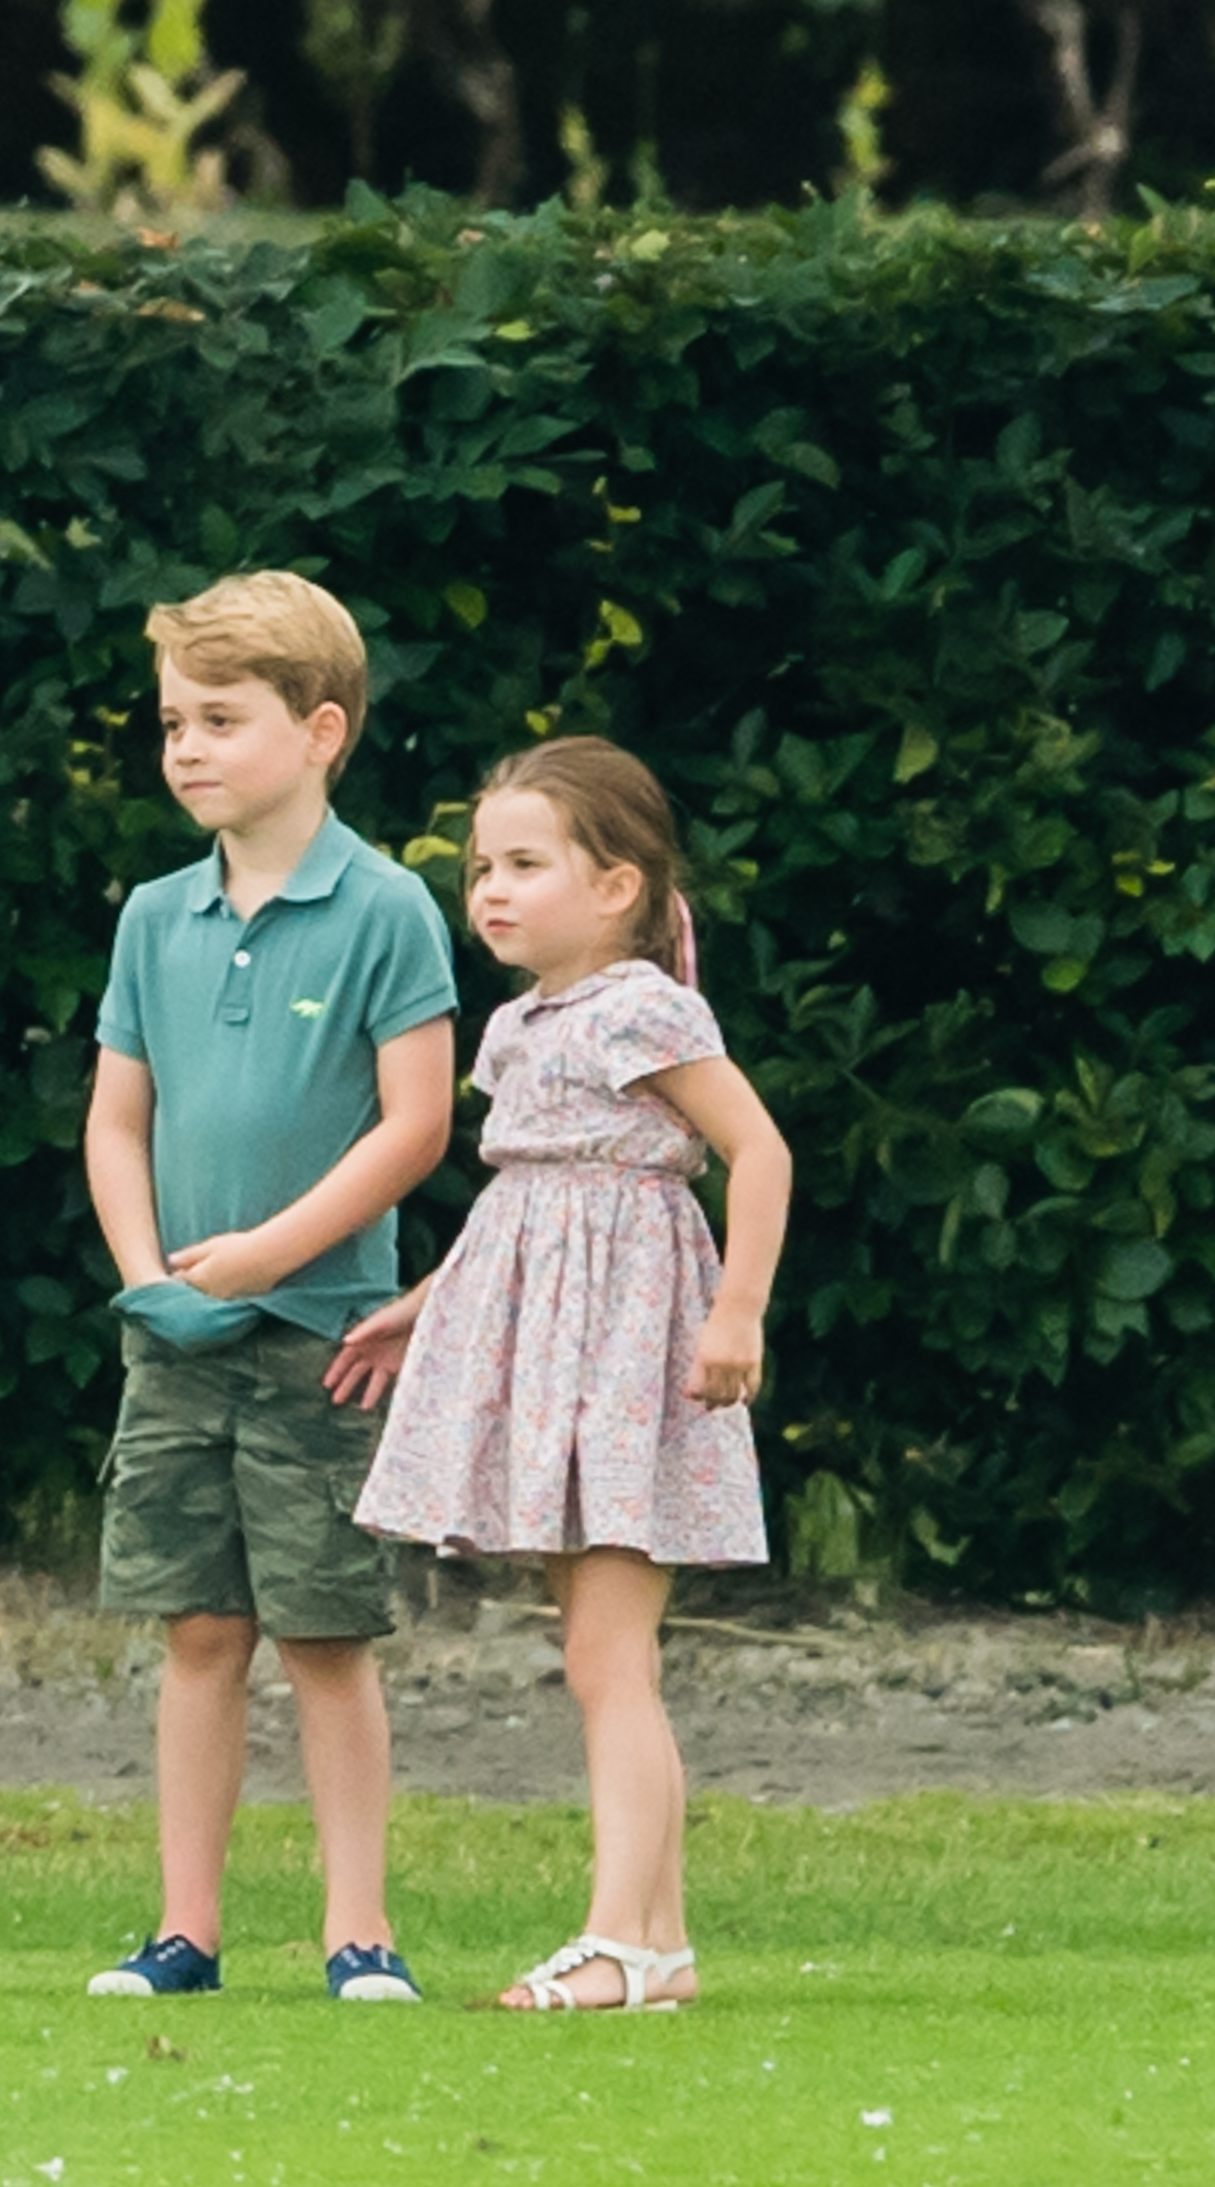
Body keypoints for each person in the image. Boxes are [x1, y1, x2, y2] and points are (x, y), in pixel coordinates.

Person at [333, 736, 790, 2013]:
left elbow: (758, 1153)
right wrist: (422, 1312)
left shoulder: (647, 1010)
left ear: (618, 887)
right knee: (603, 1656)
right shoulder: (522, 1025)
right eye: (483, 865)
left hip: (627, 1359)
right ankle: (660, 1945)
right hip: (548, 1361)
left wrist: (734, 1315)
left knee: (607, 1659)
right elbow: (518, 1216)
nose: (490, 888)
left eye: (526, 863)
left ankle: (622, 1945)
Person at [82, 571, 458, 2004]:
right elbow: (117, 1120)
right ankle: (185, 1935)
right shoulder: (151, 915)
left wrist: (265, 1258)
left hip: (324, 1337)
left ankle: (358, 1936)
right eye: (172, 721)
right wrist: (148, 1279)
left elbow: (414, 1125)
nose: (184, 748)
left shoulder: (387, 907)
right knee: (198, 1631)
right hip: (174, 1345)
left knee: (323, 1635)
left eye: (219, 720)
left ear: (321, 731)